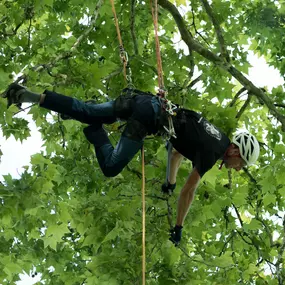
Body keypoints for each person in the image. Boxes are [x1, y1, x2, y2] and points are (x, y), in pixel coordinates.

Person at [3, 83, 260, 245]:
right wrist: (179, 225)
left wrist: (169, 182)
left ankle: (26, 95)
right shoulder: (214, 152)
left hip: (145, 102)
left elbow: (175, 152)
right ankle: (95, 131)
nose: (237, 168)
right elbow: (189, 190)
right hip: (146, 119)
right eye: (241, 163)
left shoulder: (214, 136)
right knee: (111, 166)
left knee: (86, 110)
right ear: (235, 150)